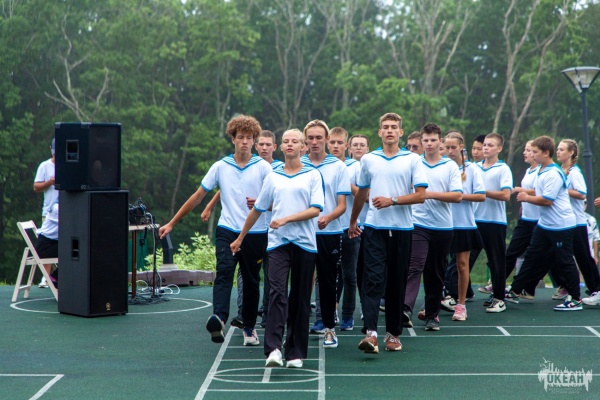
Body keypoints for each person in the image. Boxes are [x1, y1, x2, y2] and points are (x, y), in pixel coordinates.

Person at [158, 115, 271, 345]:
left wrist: (261, 202)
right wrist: (172, 223)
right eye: (241, 137)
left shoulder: (263, 167)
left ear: (254, 141)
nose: (245, 142)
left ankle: (249, 327)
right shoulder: (221, 166)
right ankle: (219, 318)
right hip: (227, 229)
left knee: (251, 281)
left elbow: (276, 199)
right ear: (233, 139)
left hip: (256, 232)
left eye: (249, 138)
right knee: (224, 272)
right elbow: (198, 196)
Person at [230, 128, 324, 369]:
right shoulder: (273, 176)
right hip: (278, 244)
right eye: (286, 141)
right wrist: (240, 237)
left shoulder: (313, 175)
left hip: (305, 243)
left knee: (300, 298)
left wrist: (286, 219)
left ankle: (295, 352)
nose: (290, 144)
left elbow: (315, 209)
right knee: (277, 293)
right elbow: (258, 209)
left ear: (303, 147)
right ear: (281, 147)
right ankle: (273, 349)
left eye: (295, 141)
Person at [349, 112, 427, 353]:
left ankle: (393, 334)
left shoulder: (412, 160)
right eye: (386, 127)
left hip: (402, 230)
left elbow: (421, 196)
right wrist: (353, 221)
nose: (390, 130)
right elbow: (362, 193)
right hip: (374, 229)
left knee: (396, 283)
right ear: (380, 132)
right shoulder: (369, 159)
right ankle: (371, 333)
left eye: (394, 127)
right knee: (372, 280)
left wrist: (392, 200)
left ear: (400, 132)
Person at [506, 136, 583, 311]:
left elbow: (547, 200)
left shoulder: (553, 173)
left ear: (546, 153)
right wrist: (525, 193)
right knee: (531, 256)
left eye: (535, 152)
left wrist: (526, 198)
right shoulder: (541, 170)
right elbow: (538, 192)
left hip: (561, 225)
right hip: (545, 224)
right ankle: (515, 291)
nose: (532, 155)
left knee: (564, 261)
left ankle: (576, 299)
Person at [404, 123, 462, 331]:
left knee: (435, 273)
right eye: (426, 140)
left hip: (443, 226)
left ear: (440, 142)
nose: (429, 144)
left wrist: (428, 194)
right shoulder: (413, 163)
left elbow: (457, 195)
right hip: (417, 223)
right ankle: (405, 309)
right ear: (421, 142)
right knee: (415, 265)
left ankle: (431, 315)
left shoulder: (450, 166)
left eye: (433, 140)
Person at [302, 120, 350, 349]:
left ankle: (330, 328)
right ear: (305, 140)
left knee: (328, 282)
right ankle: (297, 327)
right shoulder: (297, 163)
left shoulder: (338, 166)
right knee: (301, 281)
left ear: (326, 139)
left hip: (329, 232)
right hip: (301, 233)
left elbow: (342, 205)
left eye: (319, 137)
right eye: (310, 138)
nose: (314, 142)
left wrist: (327, 218)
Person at [443, 131, 485, 321]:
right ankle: (433, 303)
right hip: (442, 223)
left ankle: (461, 305)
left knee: (461, 264)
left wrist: (458, 196)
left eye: (453, 147)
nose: (450, 151)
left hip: (464, 224)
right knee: (436, 265)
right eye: (447, 147)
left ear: (461, 147)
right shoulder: (442, 167)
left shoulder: (473, 170)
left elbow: (481, 195)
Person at [471, 133, 512, 312]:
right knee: (463, 260)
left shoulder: (503, 169)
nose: (486, 148)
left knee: (496, 261)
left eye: (490, 145)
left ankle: (499, 298)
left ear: (499, 148)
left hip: (495, 222)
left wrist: (482, 192)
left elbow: (506, 195)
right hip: (474, 221)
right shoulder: (474, 167)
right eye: (485, 145)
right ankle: (454, 297)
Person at [555, 139, 600, 302]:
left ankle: (596, 289)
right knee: (559, 255)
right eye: (557, 149)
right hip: (564, 222)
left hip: (577, 222)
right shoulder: (559, 170)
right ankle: (568, 286)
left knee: (583, 258)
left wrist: (561, 190)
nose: (558, 152)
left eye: (561, 149)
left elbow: (581, 193)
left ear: (571, 153)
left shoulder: (574, 172)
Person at [328, 127, 361, 331]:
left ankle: (348, 315)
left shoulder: (355, 166)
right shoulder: (322, 165)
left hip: (350, 227)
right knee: (328, 274)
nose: (335, 146)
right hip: (327, 227)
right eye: (332, 142)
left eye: (340, 143)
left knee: (349, 274)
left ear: (346, 145)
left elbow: (364, 195)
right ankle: (328, 313)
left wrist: (345, 183)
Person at [504, 141, 540, 300]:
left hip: (539, 221)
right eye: (525, 149)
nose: (525, 153)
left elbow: (542, 192)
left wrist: (520, 190)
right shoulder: (528, 170)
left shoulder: (542, 171)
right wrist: (523, 206)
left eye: (529, 150)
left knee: (543, 258)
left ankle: (524, 288)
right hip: (525, 219)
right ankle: (498, 283)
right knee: (512, 252)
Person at [33, 138, 59, 288]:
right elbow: (36, 187)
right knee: (48, 241)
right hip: (49, 210)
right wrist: (50, 182)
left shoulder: (67, 166)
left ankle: (52, 277)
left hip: (64, 210)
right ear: (50, 149)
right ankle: (46, 277)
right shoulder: (45, 166)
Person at [34, 201, 59, 288]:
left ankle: (56, 278)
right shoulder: (57, 209)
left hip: (50, 243)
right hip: (45, 247)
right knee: (72, 253)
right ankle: (55, 278)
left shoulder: (58, 207)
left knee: (74, 251)